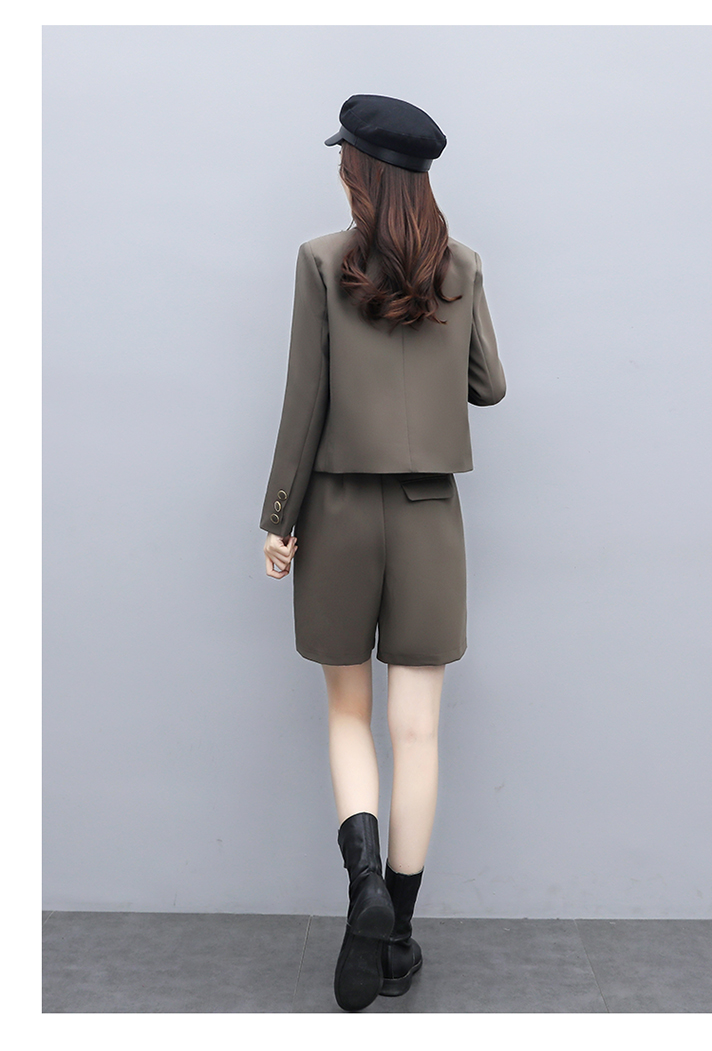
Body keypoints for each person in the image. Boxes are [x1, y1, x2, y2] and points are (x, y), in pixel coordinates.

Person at [260, 94, 506, 1012]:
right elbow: (490, 384)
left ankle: (361, 885)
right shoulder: (462, 266)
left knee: (347, 714)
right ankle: (396, 934)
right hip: (428, 514)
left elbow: (304, 402)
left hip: (337, 511)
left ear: (359, 172)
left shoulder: (321, 261)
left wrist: (278, 517)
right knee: (418, 730)